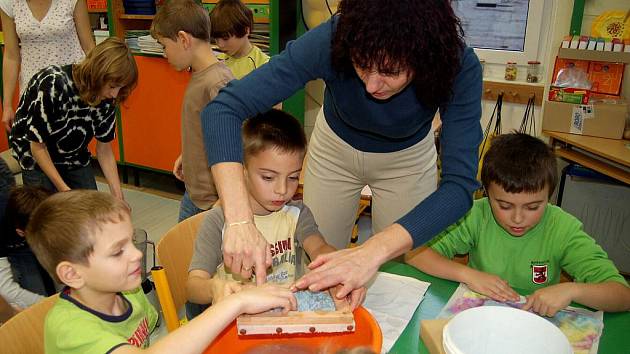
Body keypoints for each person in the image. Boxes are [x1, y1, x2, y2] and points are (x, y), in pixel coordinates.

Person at [200, 0, 482, 296]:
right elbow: (223, 110)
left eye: (390, 71)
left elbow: (460, 186)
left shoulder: (457, 64)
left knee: (402, 267)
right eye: (362, 64)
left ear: (424, 57)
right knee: (319, 261)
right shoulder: (337, 36)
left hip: (407, 159)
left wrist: (371, 250)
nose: (372, 85)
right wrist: (240, 219)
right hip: (335, 148)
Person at [26, 190, 297, 353]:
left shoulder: (128, 293)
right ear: (72, 274)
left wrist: (215, 287)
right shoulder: (70, 330)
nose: (137, 254)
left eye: (131, 241)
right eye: (118, 251)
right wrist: (236, 303)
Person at [406, 133, 630, 317]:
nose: (517, 218)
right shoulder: (476, 215)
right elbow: (415, 254)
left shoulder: (562, 228)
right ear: (485, 192)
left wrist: (573, 290)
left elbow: (622, 295)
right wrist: (469, 275)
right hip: (482, 321)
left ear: (549, 197)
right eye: (504, 205)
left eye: (532, 207)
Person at [186, 109, 366, 317]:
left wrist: (340, 268)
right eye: (269, 177)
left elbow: (319, 248)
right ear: (241, 170)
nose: (282, 190)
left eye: (293, 177)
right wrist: (214, 288)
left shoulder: (297, 214)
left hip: (285, 317)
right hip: (235, 324)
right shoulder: (219, 222)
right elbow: (192, 286)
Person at [8, 37, 136, 200]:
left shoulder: (108, 98)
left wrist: (118, 196)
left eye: (120, 88)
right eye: (112, 86)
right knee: (48, 212)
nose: (114, 94)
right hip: (34, 153)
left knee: (90, 207)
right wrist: (65, 191)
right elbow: (37, 147)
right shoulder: (54, 84)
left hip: (73, 153)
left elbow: (104, 149)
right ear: (97, 74)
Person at [150, 0, 234, 221]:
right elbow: (203, 128)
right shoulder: (199, 75)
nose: (164, 54)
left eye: (164, 45)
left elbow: (237, 143)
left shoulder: (217, 82)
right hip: (194, 193)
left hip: (212, 202)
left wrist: (224, 201)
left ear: (184, 39)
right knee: (180, 254)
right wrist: (186, 155)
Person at [0, 0, 95, 131]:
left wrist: (98, 86)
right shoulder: (9, 2)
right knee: (36, 147)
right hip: (33, 93)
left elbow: (89, 48)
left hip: (71, 90)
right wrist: (7, 105)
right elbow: (11, 56)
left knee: (70, 145)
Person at [1, 186, 55, 310]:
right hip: (6, 251)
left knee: (42, 291)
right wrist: (54, 305)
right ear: (21, 232)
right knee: (26, 303)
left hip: (23, 247)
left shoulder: (53, 210)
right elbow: (6, 291)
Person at [209, 0, 269, 79]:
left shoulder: (263, 65)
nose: (220, 44)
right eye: (216, 38)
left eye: (225, 38)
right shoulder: (217, 62)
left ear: (245, 30)